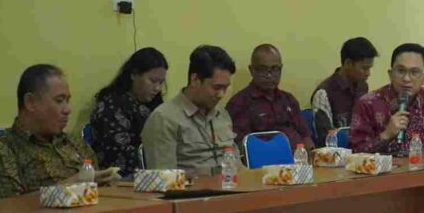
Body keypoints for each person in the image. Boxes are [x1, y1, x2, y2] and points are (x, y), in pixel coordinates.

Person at [0, 64, 117, 198]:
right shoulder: (5, 148)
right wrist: (73, 184)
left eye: (67, 100)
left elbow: (98, 194)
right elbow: (10, 208)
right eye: (59, 100)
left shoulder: (75, 143)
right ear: (30, 102)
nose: (67, 109)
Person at [141, 45, 237, 176]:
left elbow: (238, 167)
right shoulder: (164, 118)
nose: (221, 94)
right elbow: (164, 179)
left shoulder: (222, 115)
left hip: (232, 189)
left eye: (225, 88)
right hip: (191, 193)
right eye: (217, 87)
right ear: (195, 80)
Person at [90, 48, 169, 176]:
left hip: (155, 171)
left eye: (161, 82)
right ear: (134, 74)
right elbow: (117, 153)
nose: (157, 88)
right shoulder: (110, 106)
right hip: (123, 177)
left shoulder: (153, 105)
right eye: (153, 81)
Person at [226, 44, 314, 152]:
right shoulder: (240, 103)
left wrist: (312, 157)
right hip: (264, 164)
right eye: (263, 69)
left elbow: (305, 136)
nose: (269, 75)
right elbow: (241, 147)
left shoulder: (289, 100)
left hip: (298, 162)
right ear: (252, 70)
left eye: (275, 69)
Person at [311, 37, 378, 141]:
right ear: (348, 63)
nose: (368, 73)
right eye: (364, 68)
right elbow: (325, 138)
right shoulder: (324, 93)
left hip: (362, 149)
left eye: (369, 68)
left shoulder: (362, 87)